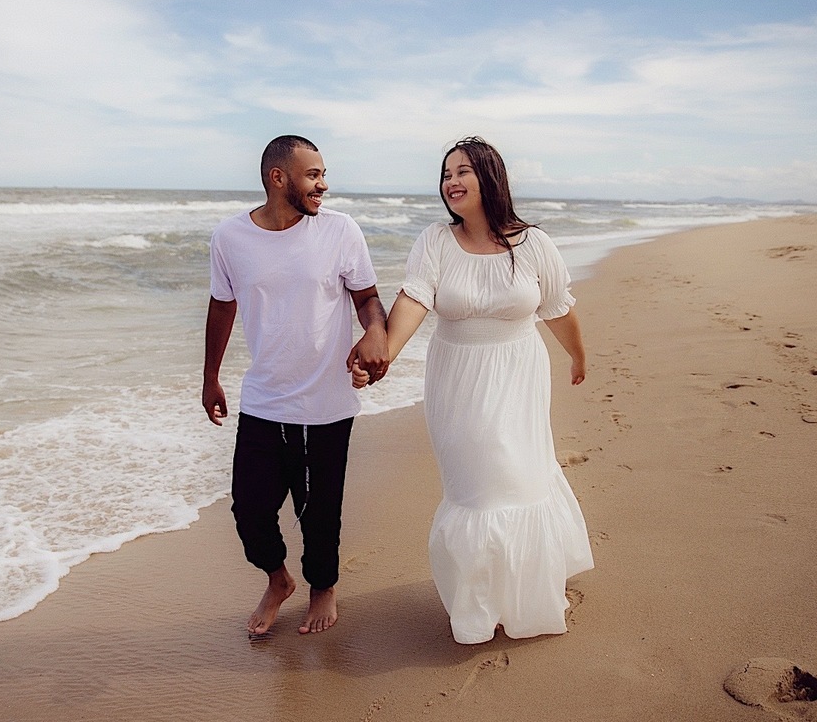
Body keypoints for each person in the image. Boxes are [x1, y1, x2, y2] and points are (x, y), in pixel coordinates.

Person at [355, 136, 593, 644]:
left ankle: (526, 598)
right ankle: (479, 604)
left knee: (520, 478)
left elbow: (558, 306)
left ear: (490, 177)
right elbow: (414, 299)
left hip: (519, 374)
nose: (452, 182)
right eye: (446, 174)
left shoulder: (534, 244)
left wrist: (577, 356)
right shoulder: (435, 241)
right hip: (457, 379)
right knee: (478, 489)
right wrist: (382, 357)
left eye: (462, 171)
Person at [203, 134, 389, 637]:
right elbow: (222, 305)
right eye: (313, 175)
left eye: (324, 174)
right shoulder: (230, 237)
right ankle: (278, 580)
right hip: (263, 400)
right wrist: (210, 376)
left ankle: (322, 588)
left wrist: (375, 332)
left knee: (320, 513)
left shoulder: (340, 230)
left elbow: (368, 298)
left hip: (326, 403)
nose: (323, 185)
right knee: (249, 511)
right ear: (277, 177)